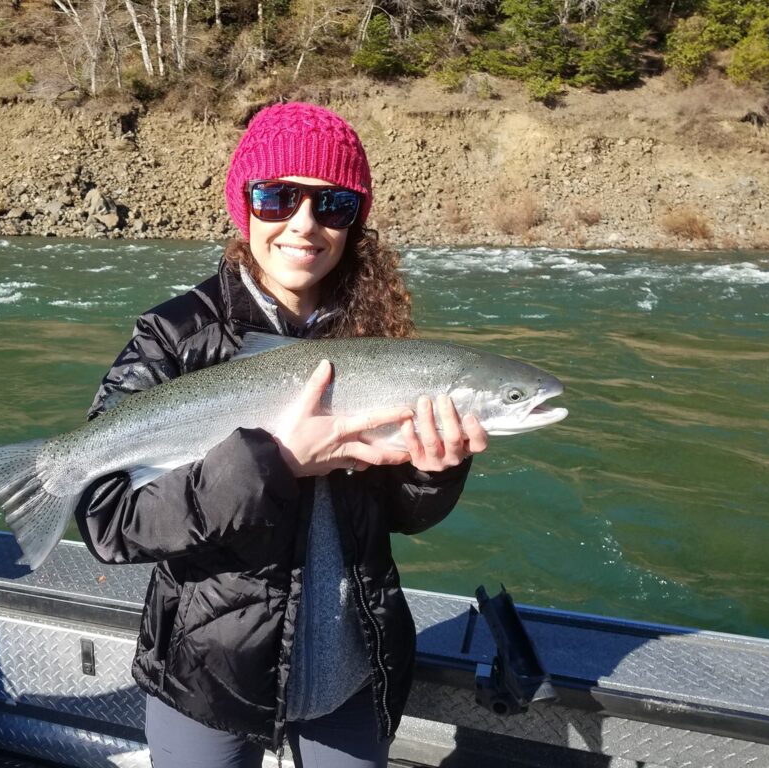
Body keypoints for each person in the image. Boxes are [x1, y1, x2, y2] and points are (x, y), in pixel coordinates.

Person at [74, 102, 488, 768]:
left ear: (355, 222)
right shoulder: (174, 337)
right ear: (245, 207)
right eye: (278, 197)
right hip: (207, 675)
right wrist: (272, 460)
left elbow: (402, 517)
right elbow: (109, 520)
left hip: (351, 668)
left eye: (334, 206)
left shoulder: (380, 343)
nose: (304, 224)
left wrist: (432, 471)